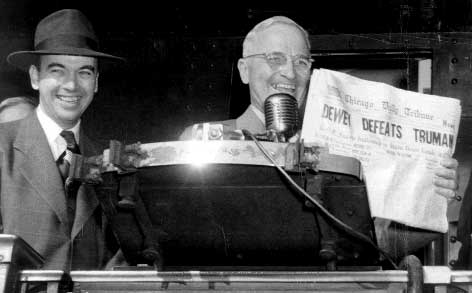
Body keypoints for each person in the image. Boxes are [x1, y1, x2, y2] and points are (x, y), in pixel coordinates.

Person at [179, 16, 459, 259]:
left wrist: (430, 196)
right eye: (274, 58)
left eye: (301, 62)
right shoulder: (202, 142)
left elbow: (379, 244)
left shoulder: (342, 150)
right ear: (243, 69)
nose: (289, 72)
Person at [0, 9, 124, 270]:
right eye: (58, 70)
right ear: (35, 77)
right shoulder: (2, 146)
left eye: (85, 72)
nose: (71, 85)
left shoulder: (112, 161)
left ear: (97, 82)